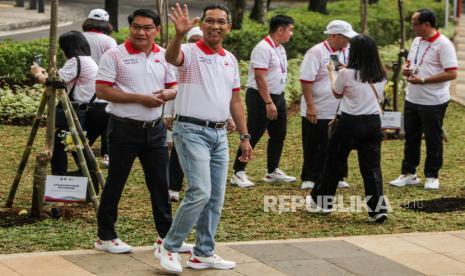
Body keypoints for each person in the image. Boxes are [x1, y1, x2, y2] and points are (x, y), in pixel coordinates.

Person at [155, 3, 252, 273]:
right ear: (202, 25)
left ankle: (203, 253)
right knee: (200, 192)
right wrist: (177, 35)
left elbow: (235, 99)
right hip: (191, 130)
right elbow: (171, 58)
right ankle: (169, 247)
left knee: (215, 197)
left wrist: (245, 136)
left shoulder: (229, 59)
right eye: (209, 21)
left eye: (221, 21)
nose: (215, 26)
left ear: (228, 27)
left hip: (220, 134)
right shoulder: (190, 51)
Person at [93, 9, 192, 254]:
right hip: (124, 128)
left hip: (155, 130)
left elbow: (173, 86)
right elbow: (102, 90)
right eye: (136, 26)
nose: (141, 32)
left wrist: (170, 93)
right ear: (130, 28)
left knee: (161, 184)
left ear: (157, 30)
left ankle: (167, 237)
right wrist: (139, 98)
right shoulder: (115, 54)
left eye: (147, 27)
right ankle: (105, 236)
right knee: (116, 182)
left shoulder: (164, 55)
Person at [309, 34, 388, 223]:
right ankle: (377, 210)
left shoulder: (346, 73)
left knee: (334, 163)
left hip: (349, 124)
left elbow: (337, 93)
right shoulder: (381, 73)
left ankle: (322, 204)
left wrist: (332, 72)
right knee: (372, 168)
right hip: (372, 123)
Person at [390, 8, 457, 190]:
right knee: (411, 137)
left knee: (433, 138)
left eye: (415, 24)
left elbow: (451, 73)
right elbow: (411, 62)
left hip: (434, 100)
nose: (413, 28)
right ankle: (409, 173)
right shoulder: (417, 41)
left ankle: (432, 175)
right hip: (412, 97)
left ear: (427, 24)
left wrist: (425, 80)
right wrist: (406, 68)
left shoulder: (444, 44)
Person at [229, 15, 295, 188]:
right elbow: (260, 77)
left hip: (277, 96)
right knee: (254, 133)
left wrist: (277, 99)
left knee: (279, 134)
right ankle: (238, 172)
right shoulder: (263, 48)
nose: (291, 33)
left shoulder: (279, 48)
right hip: (261, 97)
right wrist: (268, 101)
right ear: (280, 30)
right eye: (290, 29)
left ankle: (272, 171)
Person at [31, 31, 98, 181]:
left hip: (79, 110)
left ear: (67, 48)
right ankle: (88, 178)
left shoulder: (76, 60)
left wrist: (37, 73)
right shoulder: (87, 60)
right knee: (75, 145)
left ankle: (59, 177)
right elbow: (60, 79)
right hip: (90, 110)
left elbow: (54, 82)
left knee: (59, 142)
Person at [299, 20, 356, 190]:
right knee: (314, 142)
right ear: (333, 36)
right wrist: (310, 105)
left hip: (340, 108)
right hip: (319, 107)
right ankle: (310, 176)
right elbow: (306, 80)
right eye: (345, 37)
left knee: (339, 142)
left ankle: (338, 175)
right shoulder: (316, 52)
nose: (348, 41)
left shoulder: (346, 51)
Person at [82, 8, 118, 168]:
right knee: (108, 121)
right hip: (103, 84)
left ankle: (81, 148)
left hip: (83, 86)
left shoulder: (80, 37)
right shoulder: (108, 41)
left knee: (86, 123)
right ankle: (107, 155)